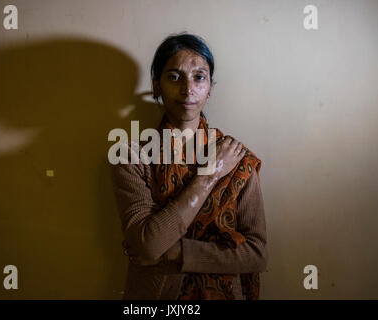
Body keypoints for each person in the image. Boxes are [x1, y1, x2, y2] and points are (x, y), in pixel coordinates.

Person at [110, 33, 268, 300]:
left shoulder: (236, 157)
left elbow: (256, 254)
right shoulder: (130, 156)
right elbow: (149, 246)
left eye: (199, 77)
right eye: (174, 77)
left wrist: (175, 252)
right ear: (156, 85)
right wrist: (211, 173)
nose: (187, 89)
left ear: (210, 87)